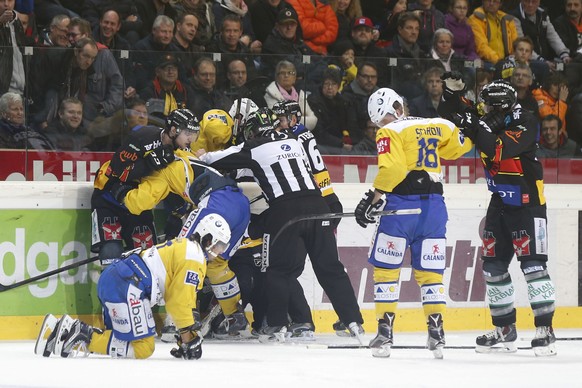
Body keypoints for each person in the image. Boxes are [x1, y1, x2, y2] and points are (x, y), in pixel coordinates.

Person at [198, 108, 365, 341]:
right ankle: (353, 320)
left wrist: (202, 154)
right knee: (330, 268)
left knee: (278, 270)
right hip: (318, 206)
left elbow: (214, 160)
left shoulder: (252, 147)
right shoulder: (294, 140)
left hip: (286, 211)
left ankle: (276, 326)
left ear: (250, 130)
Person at [354, 86, 472, 358]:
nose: (380, 127)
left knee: (386, 270)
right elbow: (461, 146)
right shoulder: (437, 124)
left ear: (394, 110)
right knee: (431, 273)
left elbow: (393, 169)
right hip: (433, 210)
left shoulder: (390, 131)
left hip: (400, 209)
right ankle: (437, 334)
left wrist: (373, 198)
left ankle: (385, 335)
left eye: (380, 120)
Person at [444, 78, 557, 356]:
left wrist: (474, 122)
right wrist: (452, 95)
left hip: (528, 206)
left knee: (533, 267)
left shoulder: (526, 122)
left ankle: (545, 330)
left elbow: (497, 147)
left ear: (501, 106)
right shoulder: (493, 117)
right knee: (493, 269)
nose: (482, 109)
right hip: (499, 203)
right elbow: (463, 115)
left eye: (486, 105)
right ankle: (504, 329)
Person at [35, 216, 231, 360]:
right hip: (127, 285)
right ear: (208, 239)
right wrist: (188, 338)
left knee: (123, 342)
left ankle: (69, 332)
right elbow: (178, 302)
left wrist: (184, 335)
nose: (218, 252)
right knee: (143, 348)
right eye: (219, 245)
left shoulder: (186, 247)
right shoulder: (194, 258)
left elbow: (177, 297)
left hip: (118, 278)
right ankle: (80, 334)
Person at [91, 108, 198, 264]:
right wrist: (149, 163)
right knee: (111, 253)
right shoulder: (142, 137)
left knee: (148, 257)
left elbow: (173, 182)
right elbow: (119, 170)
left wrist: (179, 210)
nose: (191, 139)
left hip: (138, 202)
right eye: (188, 134)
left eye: (194, 134)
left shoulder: (182, 150)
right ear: (174, 130)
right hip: (110, 196)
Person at [308, 66, 358, 152]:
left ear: (338, 86)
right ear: (322, 84)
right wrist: (340, 144)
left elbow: (351, 126)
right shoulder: (313, 101)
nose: (330, 87)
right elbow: (319, 133)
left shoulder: (344, 102)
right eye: (327, 84)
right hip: (322, 144)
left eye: (333, 84)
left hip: (340, 142)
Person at [264, 60, 318, 130]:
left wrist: (290, 118)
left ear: (295, 77)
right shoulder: (270, 93)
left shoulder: (300, 94)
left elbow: (313, 120)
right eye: (282, 73)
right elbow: (277, 122)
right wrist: (300, 118)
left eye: (290, 73)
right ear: (277, 77)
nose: (286, 75)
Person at [139, 54, 195, 119]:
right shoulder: (148, 92)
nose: (170, 72)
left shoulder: (186, 91)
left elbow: (192, 114)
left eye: (173, 68)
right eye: (166, 69)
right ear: (157, 72)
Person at [467, 0, 518, 67]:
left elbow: (516, 43)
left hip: (506, 61)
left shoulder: (507, 19)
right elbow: (481, 47)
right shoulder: (475, 19)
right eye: (488, 0)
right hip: (485, 61)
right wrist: (499, 62)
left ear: (500, 4)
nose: (491, 3)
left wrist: (514, 58)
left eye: (495, 1)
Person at [0, 0, 26, 96]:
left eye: (10, 0)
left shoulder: (17, 22)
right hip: (3, 91)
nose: (6, 4)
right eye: (2, 0)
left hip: (21, 89)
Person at [532, 72, 569, 136]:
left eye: (561, 87)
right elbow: (554, 121)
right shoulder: (539, 96)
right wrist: (562, 101)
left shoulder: (558, 100)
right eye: (555, 85)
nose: (558, 90)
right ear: (548, 85)